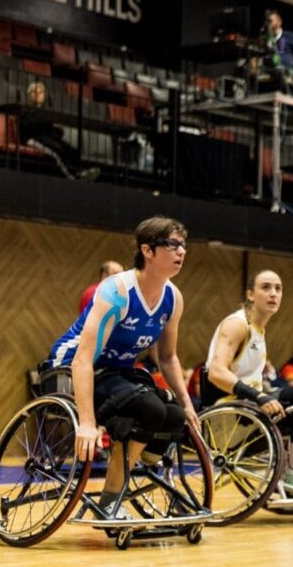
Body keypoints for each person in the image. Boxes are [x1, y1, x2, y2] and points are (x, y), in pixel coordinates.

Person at [48, 216, 199, 515]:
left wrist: (188, 404)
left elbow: (167, 358)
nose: (181, 251)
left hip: (117, 373)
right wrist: (87, 423)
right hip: (71, 365)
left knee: (173, 416)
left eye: (183, 245)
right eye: (172, 244)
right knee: (148, 411)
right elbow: (83, 358)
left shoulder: (173, 298)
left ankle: (136, 458)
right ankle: (111, 499)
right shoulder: (117, 291)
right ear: (148, 250)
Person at [205, 270, 293, 496]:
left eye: (278, 289)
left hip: (250, 409)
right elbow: (216, 372)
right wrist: (259, 396)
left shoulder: (260, 329)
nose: (273, 294)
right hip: (228, 415)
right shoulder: (238, 324)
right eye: (266, 288)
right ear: (250, 294)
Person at [18, 81, 99, 181]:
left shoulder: (46, 112)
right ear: (30, 95)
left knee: (72, 150)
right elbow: (28, 127)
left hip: (47, 137)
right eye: (35, 92)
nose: (38, 95)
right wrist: (45, 124)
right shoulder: (26, 110)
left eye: (41, 92)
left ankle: (79, 171)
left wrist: (57, 129)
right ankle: (72, 178)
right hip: (32, 138)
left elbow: (51, 129)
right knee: (58, 151)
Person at [261, 10, 293, 93]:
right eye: (267, 22)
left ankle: (289, 78)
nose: (269, 24)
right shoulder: (266, 38)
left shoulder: (289, 35)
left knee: (280, 68)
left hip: (284, 68)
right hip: (268, 67)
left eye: (271, 21)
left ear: (279, 22)